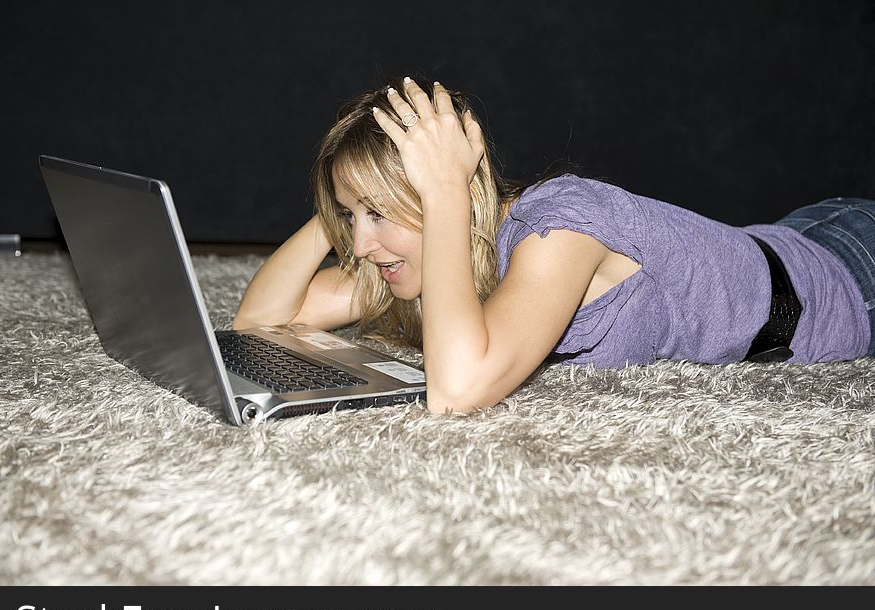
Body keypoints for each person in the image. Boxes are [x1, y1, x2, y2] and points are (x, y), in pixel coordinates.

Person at [233, 75, 875, 414]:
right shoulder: (415, 252)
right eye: (353, 221)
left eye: (380, 214)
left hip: (851, 268)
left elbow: (456, 391)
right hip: (792, 230)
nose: (362, 243)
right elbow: (260, 322)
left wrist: (447, 191)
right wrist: (342, 202)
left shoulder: (560, 229)